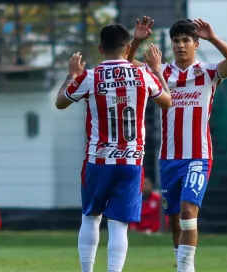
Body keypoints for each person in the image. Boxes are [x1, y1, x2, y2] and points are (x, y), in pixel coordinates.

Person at [128, 17, 227, 271]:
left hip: (198, 156)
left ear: (195, 43)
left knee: (190, 211)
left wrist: (213, 37)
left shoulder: (208, 72)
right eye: (176, 41)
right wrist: (137, 40)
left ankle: (185, 268)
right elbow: (125, 62)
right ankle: (181, 265)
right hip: (168, 158)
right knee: (176, 220)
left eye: (186, 40)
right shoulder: (161, 71)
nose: (180, 45)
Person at [55, 23, 172, 272]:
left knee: (91, 217)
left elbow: (60, 102)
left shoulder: (90, 76)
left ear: (100, 48)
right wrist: (157, 70)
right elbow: (166, 101)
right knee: (119, 224)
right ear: (128, 47)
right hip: (131, 161)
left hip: (98, 160)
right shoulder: (142, 75)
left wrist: (71, 75)